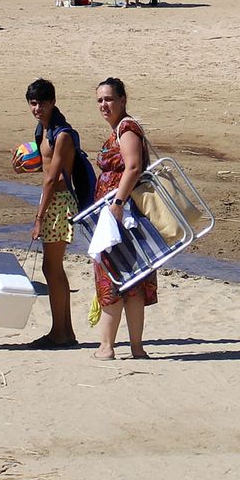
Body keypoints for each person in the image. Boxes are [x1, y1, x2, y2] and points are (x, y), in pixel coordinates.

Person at [92, 77, 154, 360]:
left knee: (117, 277)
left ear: (122, 100)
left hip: (124, 214)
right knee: (129, 278)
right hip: (118, 213)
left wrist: (117, 202)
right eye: (100, 100)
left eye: (109, 99)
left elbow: (133, 166)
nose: (104, 105)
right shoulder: (118, 129)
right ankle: (132, 347)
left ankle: (110, 347)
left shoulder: (127, 128)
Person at [25, 79, 80, 349]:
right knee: (53, 268)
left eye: (42, 103)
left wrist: (38, 218)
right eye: (33, 104)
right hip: (53, 200)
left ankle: (60, 332)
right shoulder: (44, 130)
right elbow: (45, 170)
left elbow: (53, 178)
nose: (37, 108)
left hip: (59, 202)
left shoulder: (62, 134)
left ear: (52, 102)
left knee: (52, 267)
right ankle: (65, 331)